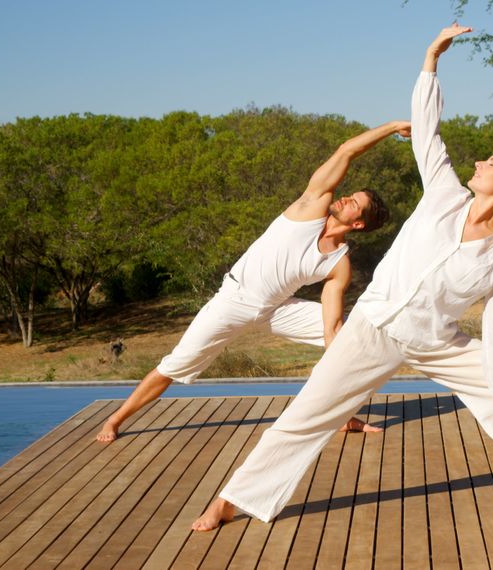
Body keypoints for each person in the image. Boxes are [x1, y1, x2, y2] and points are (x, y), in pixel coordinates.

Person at [191, 23, 493, 531]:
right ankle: (234, 499)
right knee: (306, 415)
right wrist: (431, 61)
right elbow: (428, 128)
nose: (480, 163)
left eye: (492, 163)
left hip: (435, 341)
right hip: (373, 327)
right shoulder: (444, 193)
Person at [95, 120, 410, 443]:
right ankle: (115, 419)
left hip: (275, 309)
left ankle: (341, 415)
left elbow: (330, 330)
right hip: (233, 300)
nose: (343, 199)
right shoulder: (310, 205)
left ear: (357, 224)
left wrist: (339, 365)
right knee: (176, 364)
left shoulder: (338, 264)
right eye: (348, 195)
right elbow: (347, 150)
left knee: (349, 338)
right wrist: (391, 128)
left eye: (353, 203)